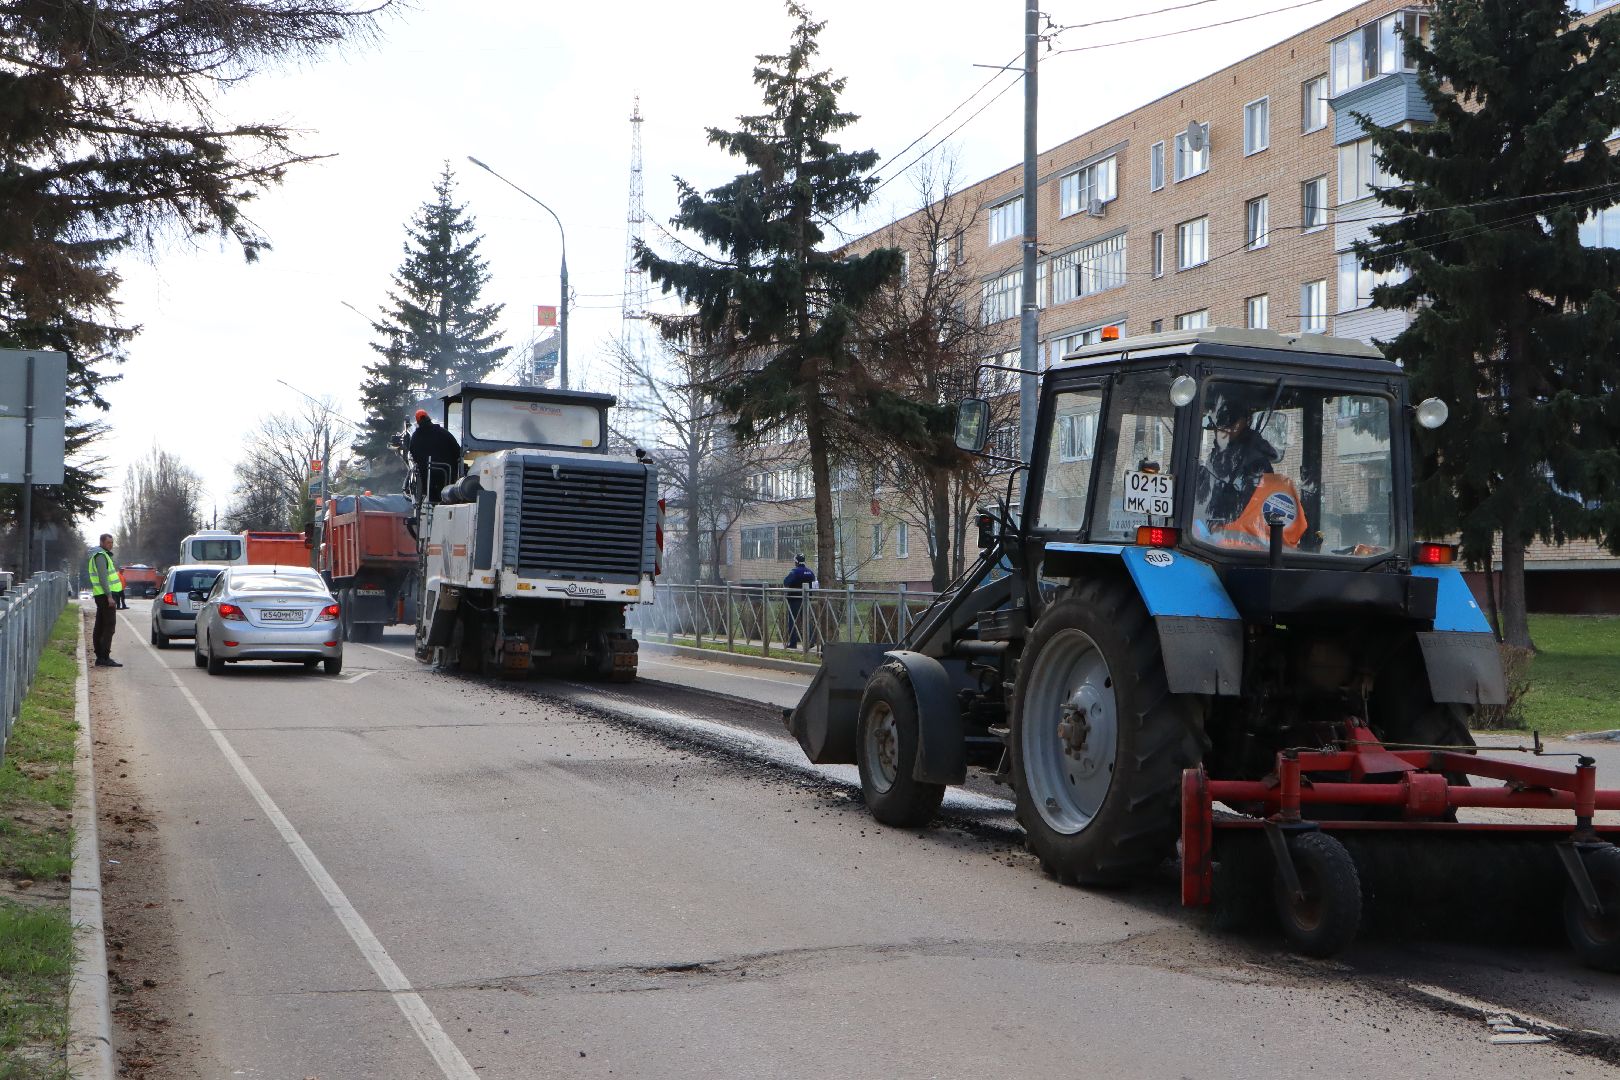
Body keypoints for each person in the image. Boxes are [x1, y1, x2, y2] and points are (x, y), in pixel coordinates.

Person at [1197, 397, 1280, 525]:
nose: (1221, 429)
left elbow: (1254, 509)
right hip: (1211, 528)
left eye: (1229, 421)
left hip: (1239, 535)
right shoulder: (1219, 456)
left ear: (1244, 421)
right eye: (1218, 423)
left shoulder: (1256, 462)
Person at [407, 408, 462, 504]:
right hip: (446, 476)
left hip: (426, 479)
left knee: (431, 500)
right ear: (429, 418)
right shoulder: (444, 433)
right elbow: (458, 451)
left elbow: (413, 456)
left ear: (418, 422)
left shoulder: (415, 438)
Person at [87, 534, 124, 667]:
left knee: (100, 625)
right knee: (109, 626)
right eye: (108, 542)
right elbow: (103, 578)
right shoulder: (101, 556)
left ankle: (100, 656)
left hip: (101, 595)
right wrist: (109, 596)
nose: (111, 545)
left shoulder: (99, 555)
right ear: (101, 542)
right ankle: (104, 656)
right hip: (105, 596)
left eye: (112, 542)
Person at [783, 554, 816, 649]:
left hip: (794, 600)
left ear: (796, 562)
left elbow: (786, 582)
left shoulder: (794, 572)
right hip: (807, 600)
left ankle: (793, 643)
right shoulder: (810, 572)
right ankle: (810, 642)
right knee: (807, 620)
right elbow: (814, 585)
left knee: (792, 621)